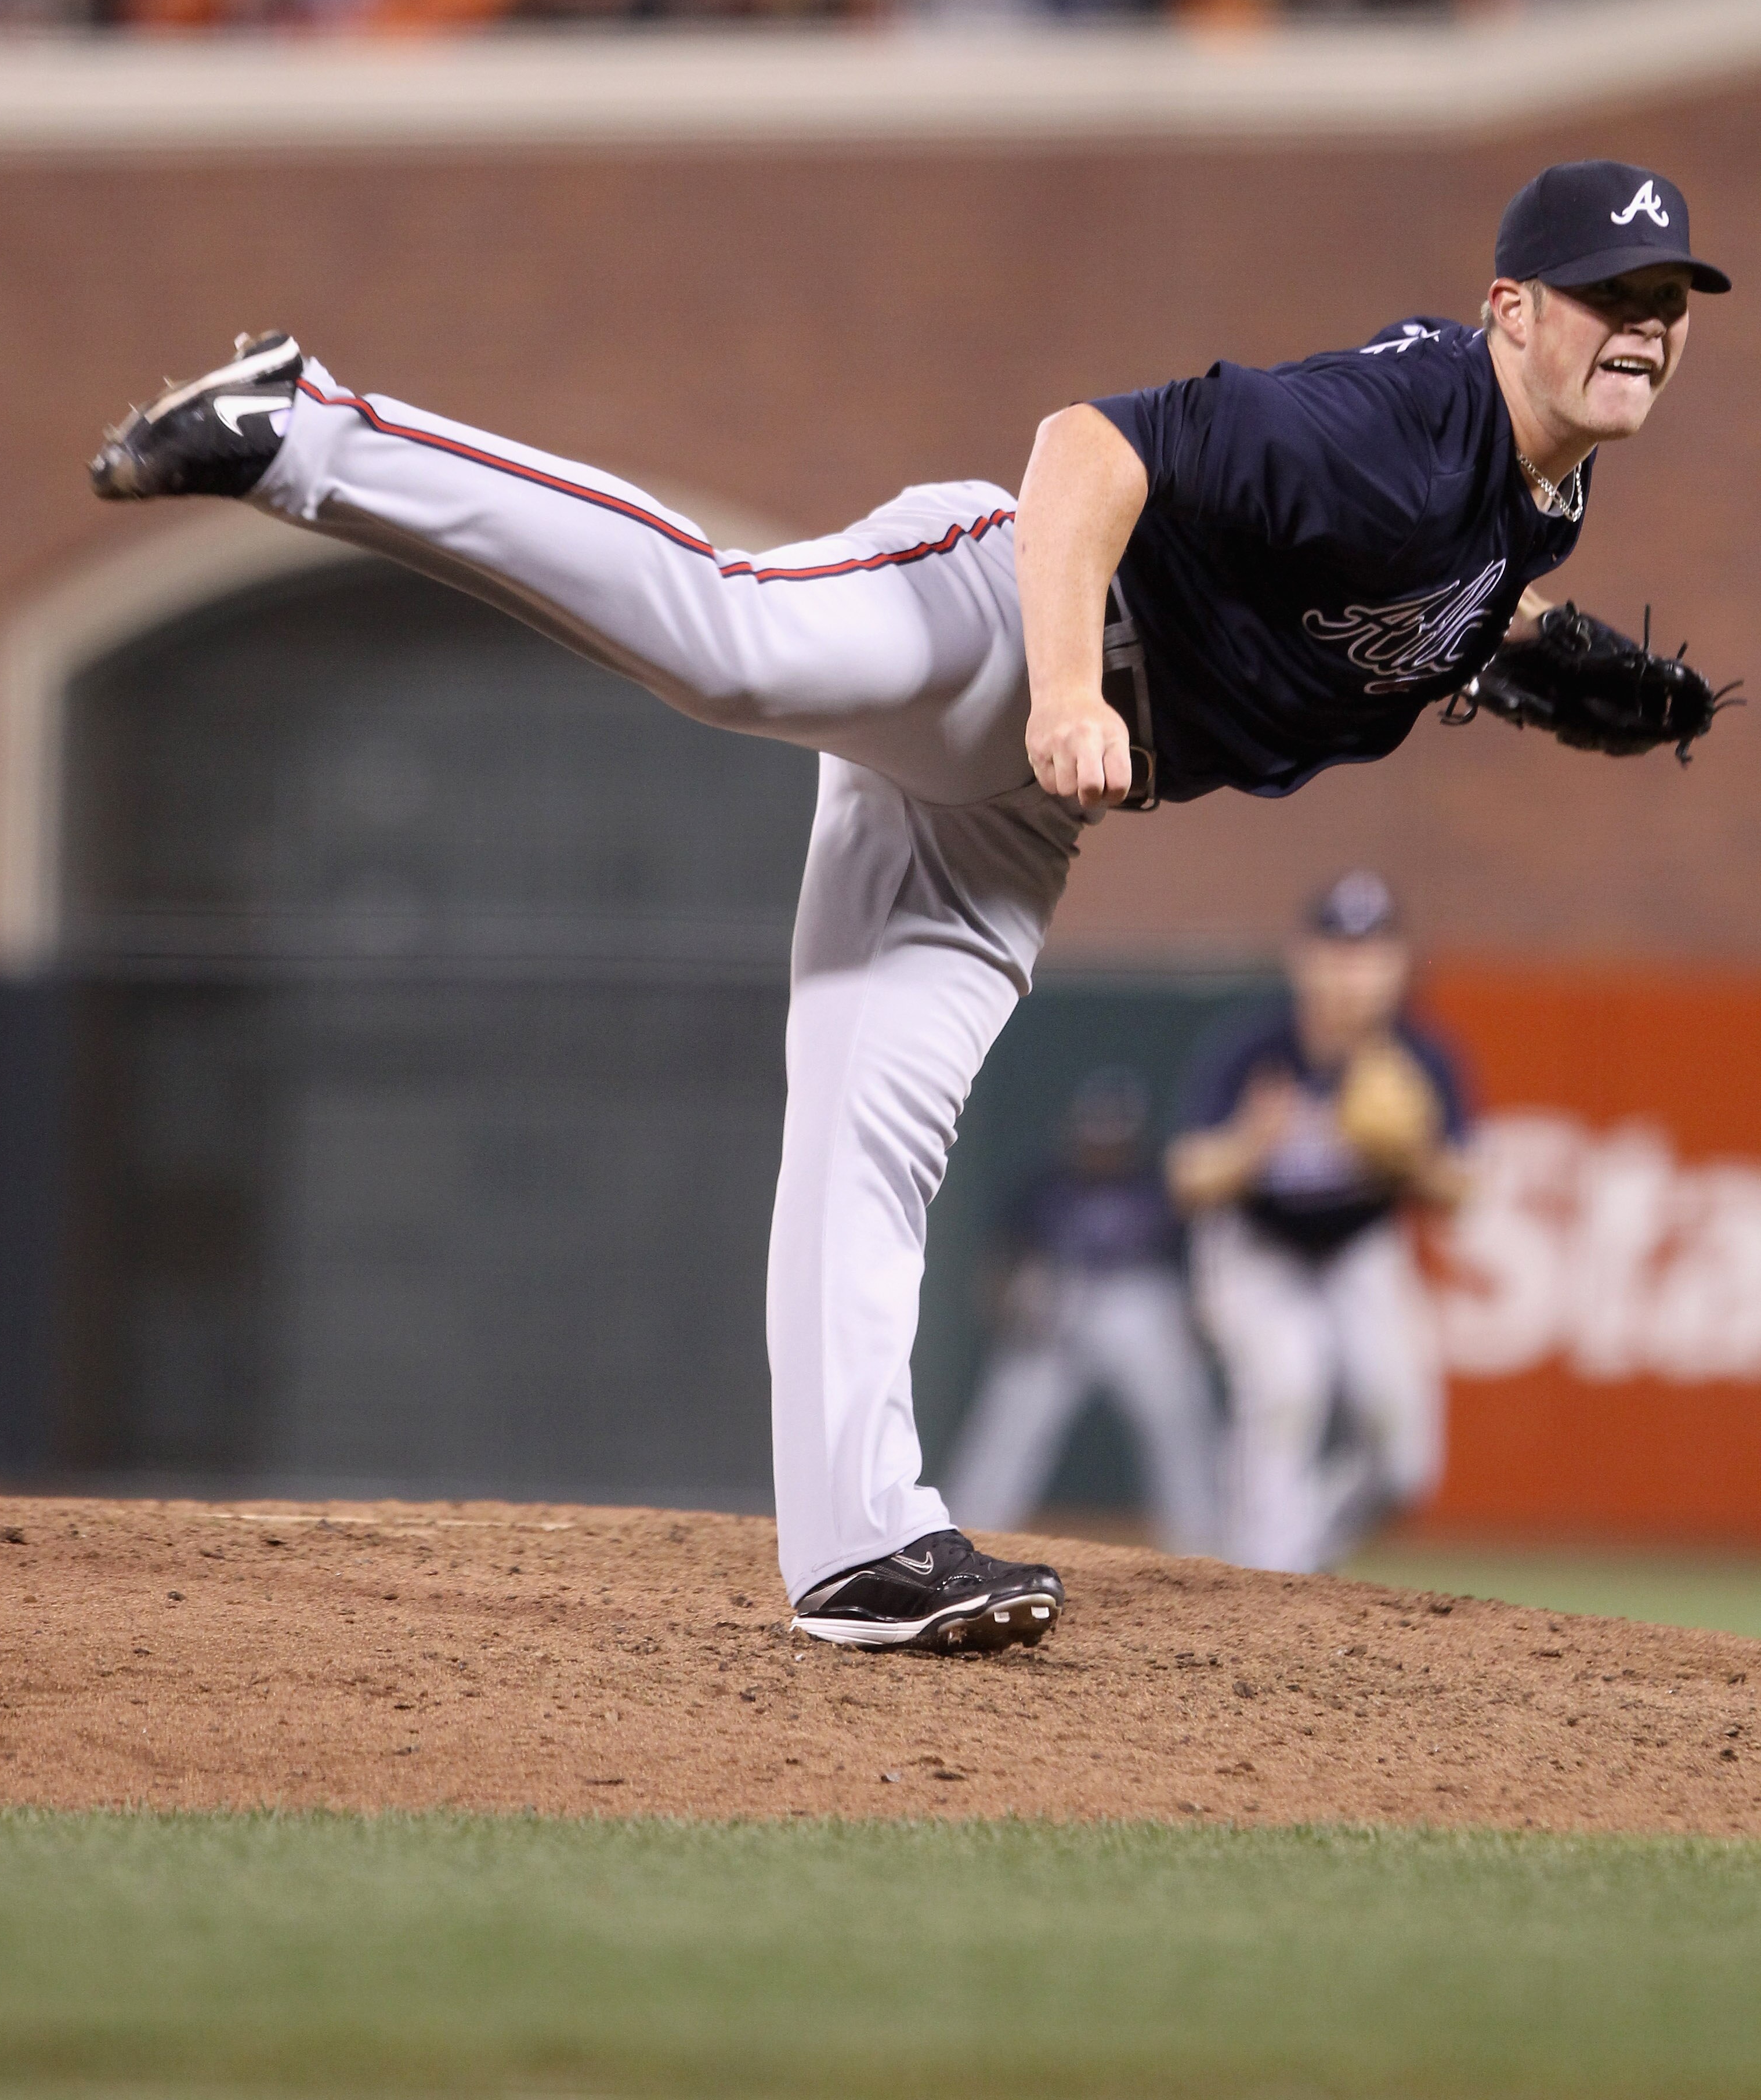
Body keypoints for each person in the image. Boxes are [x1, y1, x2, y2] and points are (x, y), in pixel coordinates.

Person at [87, 156, 1728, 1651]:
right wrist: (1064, 689)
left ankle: (859, 1546)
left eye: (1668, 300)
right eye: (1611, 294)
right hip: (999, 620)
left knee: (873, 1126)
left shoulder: (1540, 491)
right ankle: (308, 426)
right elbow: (1091, 448)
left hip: (1030, 805)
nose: (1645, 326)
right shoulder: (1400, 425)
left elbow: (1372, 587)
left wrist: (1503, 651)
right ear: (1512, 308)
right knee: (732, 638)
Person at [1168, 873, 1468, 1574]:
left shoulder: (1422, 1056)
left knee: (1405, 1464)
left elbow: (1461, 1191)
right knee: (1286, 1382)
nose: (1352, 973)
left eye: (1370, 953)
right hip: (1257, 1245)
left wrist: (1410, 1157)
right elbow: (1186, 1178)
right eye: (1337, 951)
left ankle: (1292, 1563)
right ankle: (1265, 1571)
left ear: (1397, 964)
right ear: (1302, 959)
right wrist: (1249, 1146)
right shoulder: (1255, 1048)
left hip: (1359, 1247)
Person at [946, 1068, 1221, 1556]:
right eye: (1096, 1136)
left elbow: (1195, 1261)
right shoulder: (1044, 1182)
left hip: (1140, 1302)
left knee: (1178, 1417)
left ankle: (1203, 1545)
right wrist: (1010, 1303)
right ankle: (968, 1532)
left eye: (1115, 1138)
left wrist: (1195, 1315)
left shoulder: (1158, 1183)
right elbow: (1002, 1263)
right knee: (1011, 1419)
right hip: (1060, 1299)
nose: (1103, 1149)